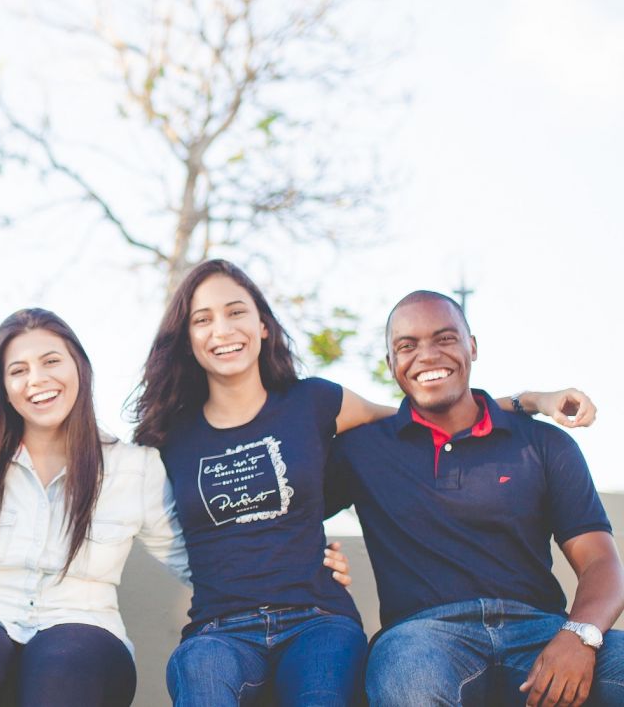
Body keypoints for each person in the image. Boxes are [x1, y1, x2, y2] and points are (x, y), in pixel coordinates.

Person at [130, 259, 594, 707]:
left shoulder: (315, 401)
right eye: (203, 319)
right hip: (219, 627)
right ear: (187, 337)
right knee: (202, 674)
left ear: (263, 325)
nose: (223, 329)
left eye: (236, 312)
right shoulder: (169, 436)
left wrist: (529, 400)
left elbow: (423, 412)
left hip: (316, 619)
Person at [0, 307, 350, 707]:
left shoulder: (133, 467)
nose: (37, 380)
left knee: (62, 662)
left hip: (85, 628)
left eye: (50, 361)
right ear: (2, 386)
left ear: (79, 368)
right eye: (18, 370)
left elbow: (201, 562)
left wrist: (301, 562)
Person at [326, 290, 624, 707]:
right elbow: (282, 513)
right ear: (391, 363)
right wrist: (317, 556)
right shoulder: (361, 450)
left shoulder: (542, 443)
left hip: (540, 631)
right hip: (422, 639)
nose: (426, 355)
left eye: (444, 338)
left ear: (473, 346)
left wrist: (580, 635)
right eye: (406, 346)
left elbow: (599, 560)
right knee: (407, 681)